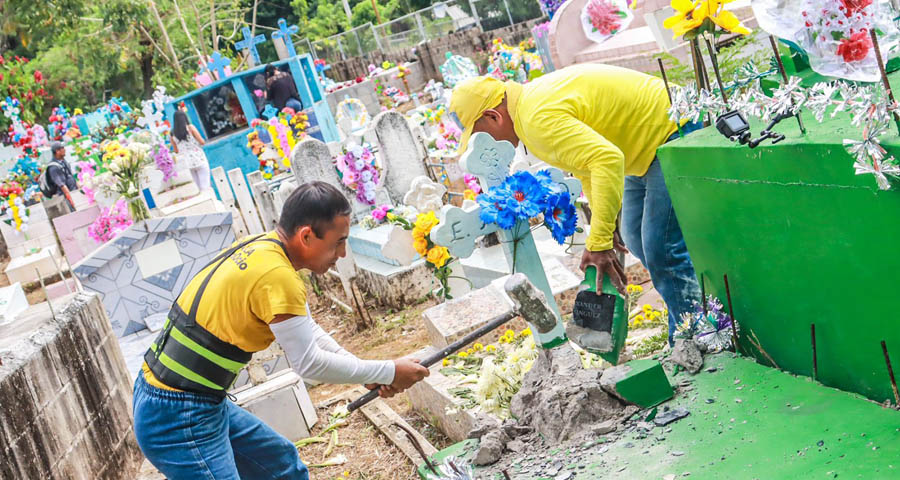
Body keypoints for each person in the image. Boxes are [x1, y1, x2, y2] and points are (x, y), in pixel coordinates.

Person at [134, 181, 429, 479]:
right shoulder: (278, 275)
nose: (341, 253)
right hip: (177, 415)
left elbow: (306, 330)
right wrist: (388, 372)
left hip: (186, 400)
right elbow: (309, 363)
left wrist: (368, 372)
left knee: (281, 468)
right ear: (306, 236)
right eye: (338, 242)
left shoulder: (261, 248)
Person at [449, 64, 702, 345]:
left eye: (478, 136)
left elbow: (606, 160)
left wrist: (601, 242)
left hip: (671, 128)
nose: (484, 145)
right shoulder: (527, 110)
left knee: (661, 247)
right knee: (633, 235)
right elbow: (587, 168)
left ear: (493, 116)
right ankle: (699, 306)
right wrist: (604, 227)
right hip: (641, 147)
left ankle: (694, 335)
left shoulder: (535, 118)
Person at [170, 109, 212, 192]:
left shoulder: (172, 134)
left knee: (197, 188)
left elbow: (176, 150)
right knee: (205, 185)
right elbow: (202, 142)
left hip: (186, 163)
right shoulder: (190, 128)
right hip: (199, 158)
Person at [41, 142, 77, 221]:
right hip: (65, 197)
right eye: (62, 148)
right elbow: (61, 185)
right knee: (74, 216)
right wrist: (71, 199)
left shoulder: (63, 162)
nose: (64, 150)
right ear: (57, 151)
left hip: (73, 192)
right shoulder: (53, 167)